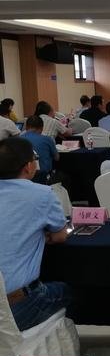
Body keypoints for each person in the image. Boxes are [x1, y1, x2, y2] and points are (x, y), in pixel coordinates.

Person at [0, 138, 70, 331]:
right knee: (69, 291)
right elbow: (60, 235)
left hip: (9, 305)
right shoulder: (42, 194)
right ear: (28, 166)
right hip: (17, 307)